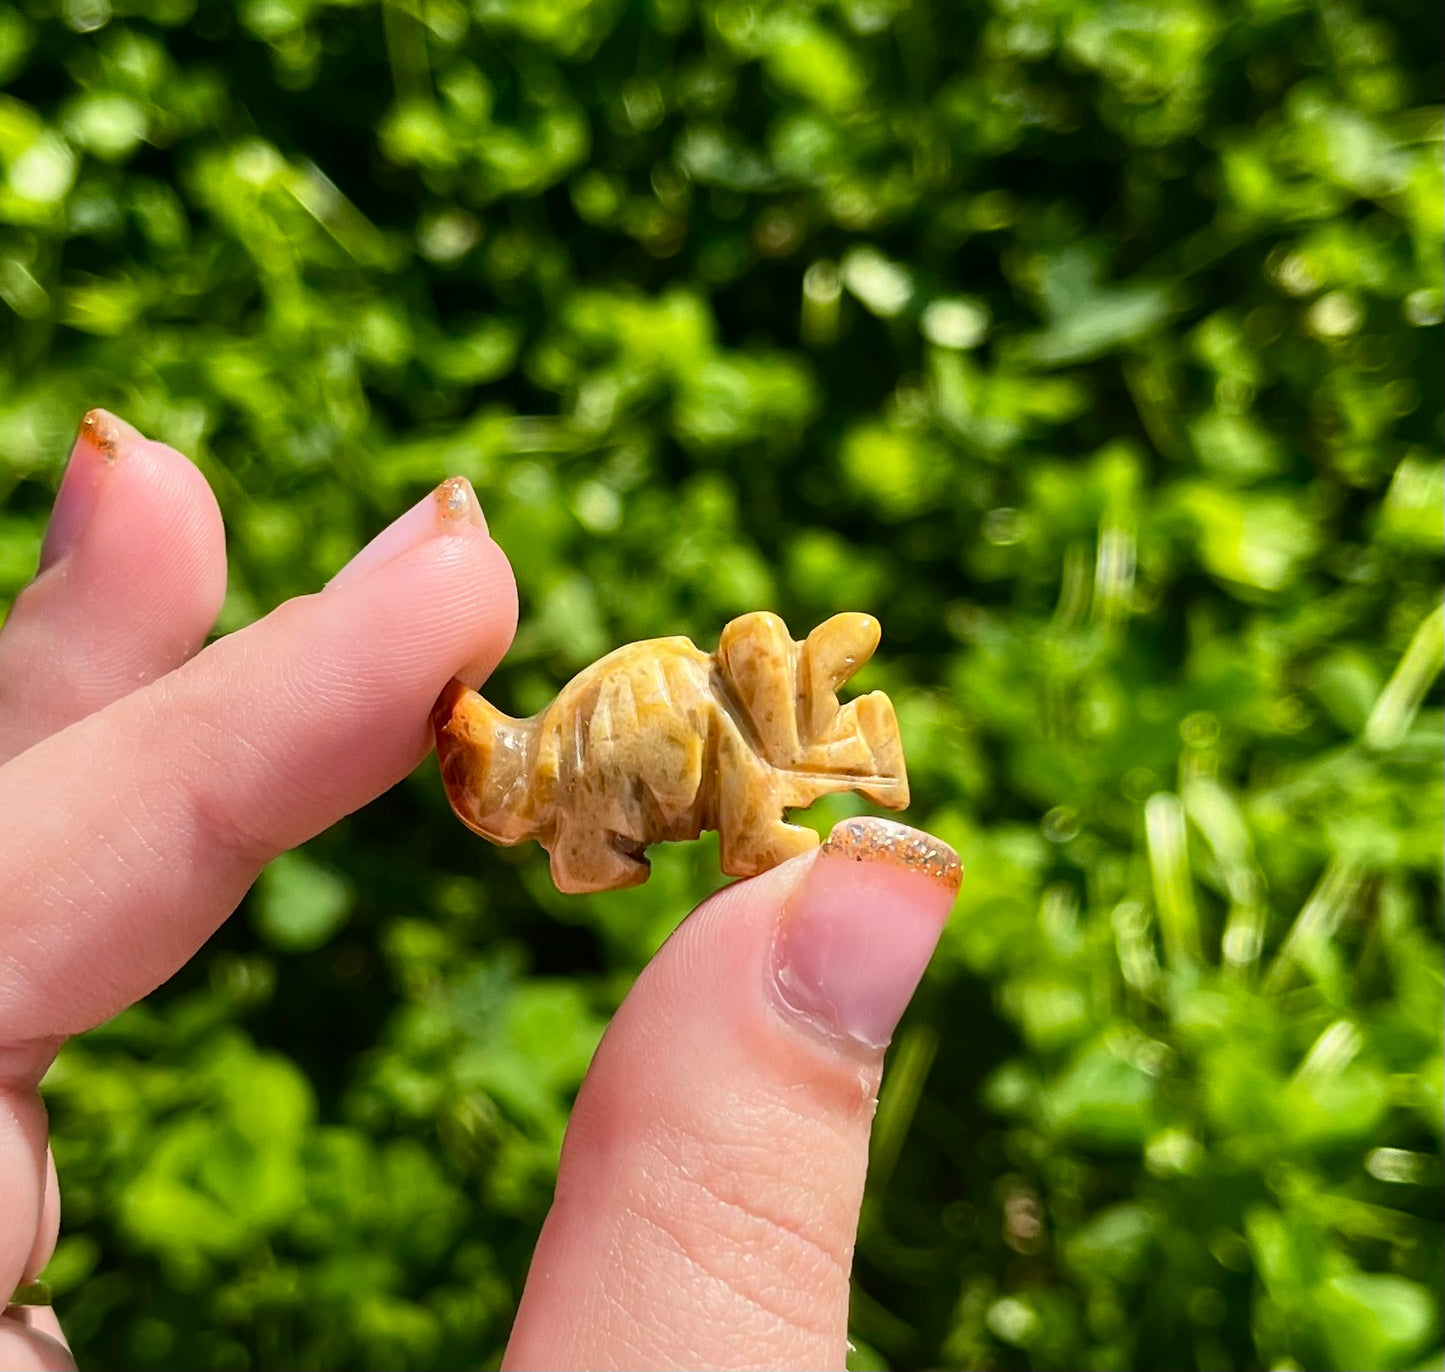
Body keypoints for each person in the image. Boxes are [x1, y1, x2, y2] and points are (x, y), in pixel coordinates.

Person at [0, 411, 961, 1372]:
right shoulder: (727, 741)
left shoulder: (750, 731)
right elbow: (757, 830)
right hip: (628, 743)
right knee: (626, 802)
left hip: (648, 731)